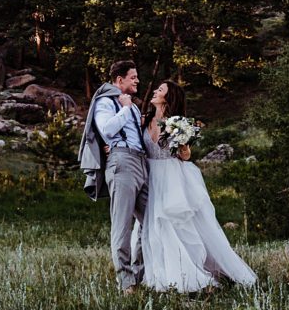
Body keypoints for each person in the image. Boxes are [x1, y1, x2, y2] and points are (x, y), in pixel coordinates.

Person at [140, 80, 257, 292]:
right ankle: (158, 273)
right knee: (152, 226)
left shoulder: (177, 123)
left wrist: (182, 142)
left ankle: (186, 275)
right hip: (150, 176)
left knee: (174, 225)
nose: (155, 91)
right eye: (157, 89)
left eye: (160, 90)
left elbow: (185, 155)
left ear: (169, 97)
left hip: (171, 176)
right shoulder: (144, 120)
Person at [78, 60, 147, 294]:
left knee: (153, 220)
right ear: (119, 80)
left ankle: (140, 274)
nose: (137, 80)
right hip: (122, 162)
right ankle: (126, 281)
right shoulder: (106, 102)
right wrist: (126, 108)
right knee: (122, 223)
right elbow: (107, 130)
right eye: (133, 77)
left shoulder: (134, 107)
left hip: (141, 162)